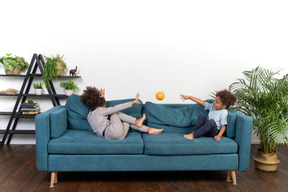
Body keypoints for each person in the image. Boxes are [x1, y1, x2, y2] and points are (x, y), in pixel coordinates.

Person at [80, 86, 164, 140]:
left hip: (113, 137)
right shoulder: (100, 111)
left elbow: (100, 107)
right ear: (101, 104)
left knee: (125, 120)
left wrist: (101, 98)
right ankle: (137, 121)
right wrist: (132, 102)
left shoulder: (89, 116)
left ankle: (148, 129)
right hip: (114, 132)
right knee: (114, 112)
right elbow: (115, 108)